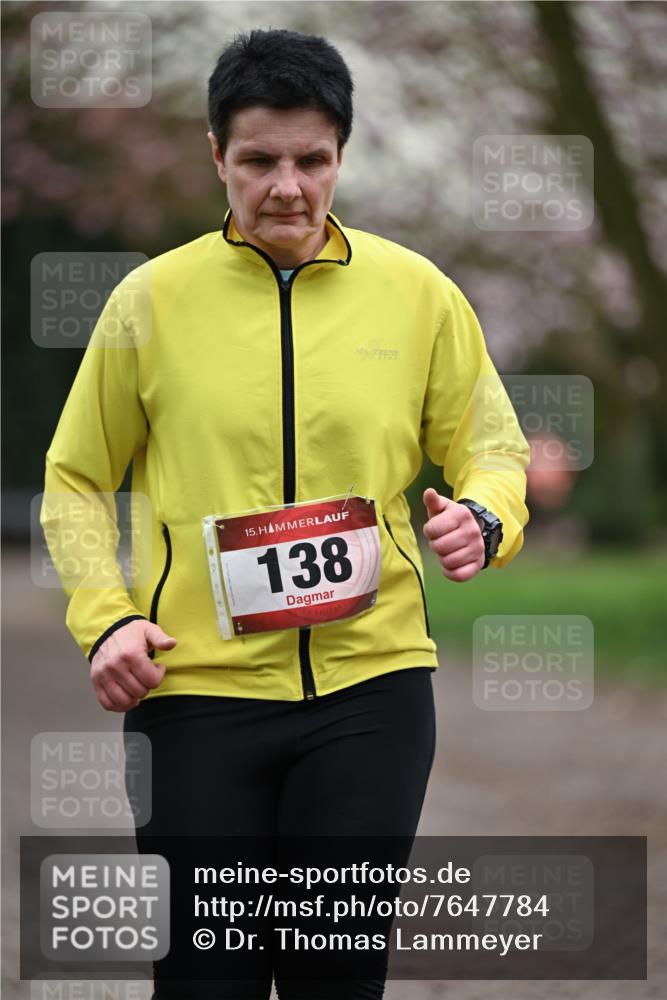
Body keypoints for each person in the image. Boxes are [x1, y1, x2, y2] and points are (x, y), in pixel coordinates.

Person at [40, 27, 530, 1000]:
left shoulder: (419, 295)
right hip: (195, 701)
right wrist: (104, 619)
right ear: (216, 155)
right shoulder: (149, 303)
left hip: (372, 693)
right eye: (259, 161)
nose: (287, 188)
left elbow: (493, 445)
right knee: (203, 980)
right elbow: (77, 480)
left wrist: (483, 516)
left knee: (333, 979)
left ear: (342, 154)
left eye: (312, 160)